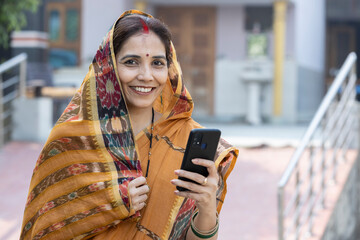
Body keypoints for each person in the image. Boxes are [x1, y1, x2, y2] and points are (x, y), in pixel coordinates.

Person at [20, 10, 238, 240]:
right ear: (109, 67)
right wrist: (111, 202)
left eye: (157, 63)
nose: (146, 75)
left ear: (169, 70)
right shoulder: (70, 139)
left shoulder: (184, 137)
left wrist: (205, 206)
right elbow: (43, 231)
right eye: (131, 62)